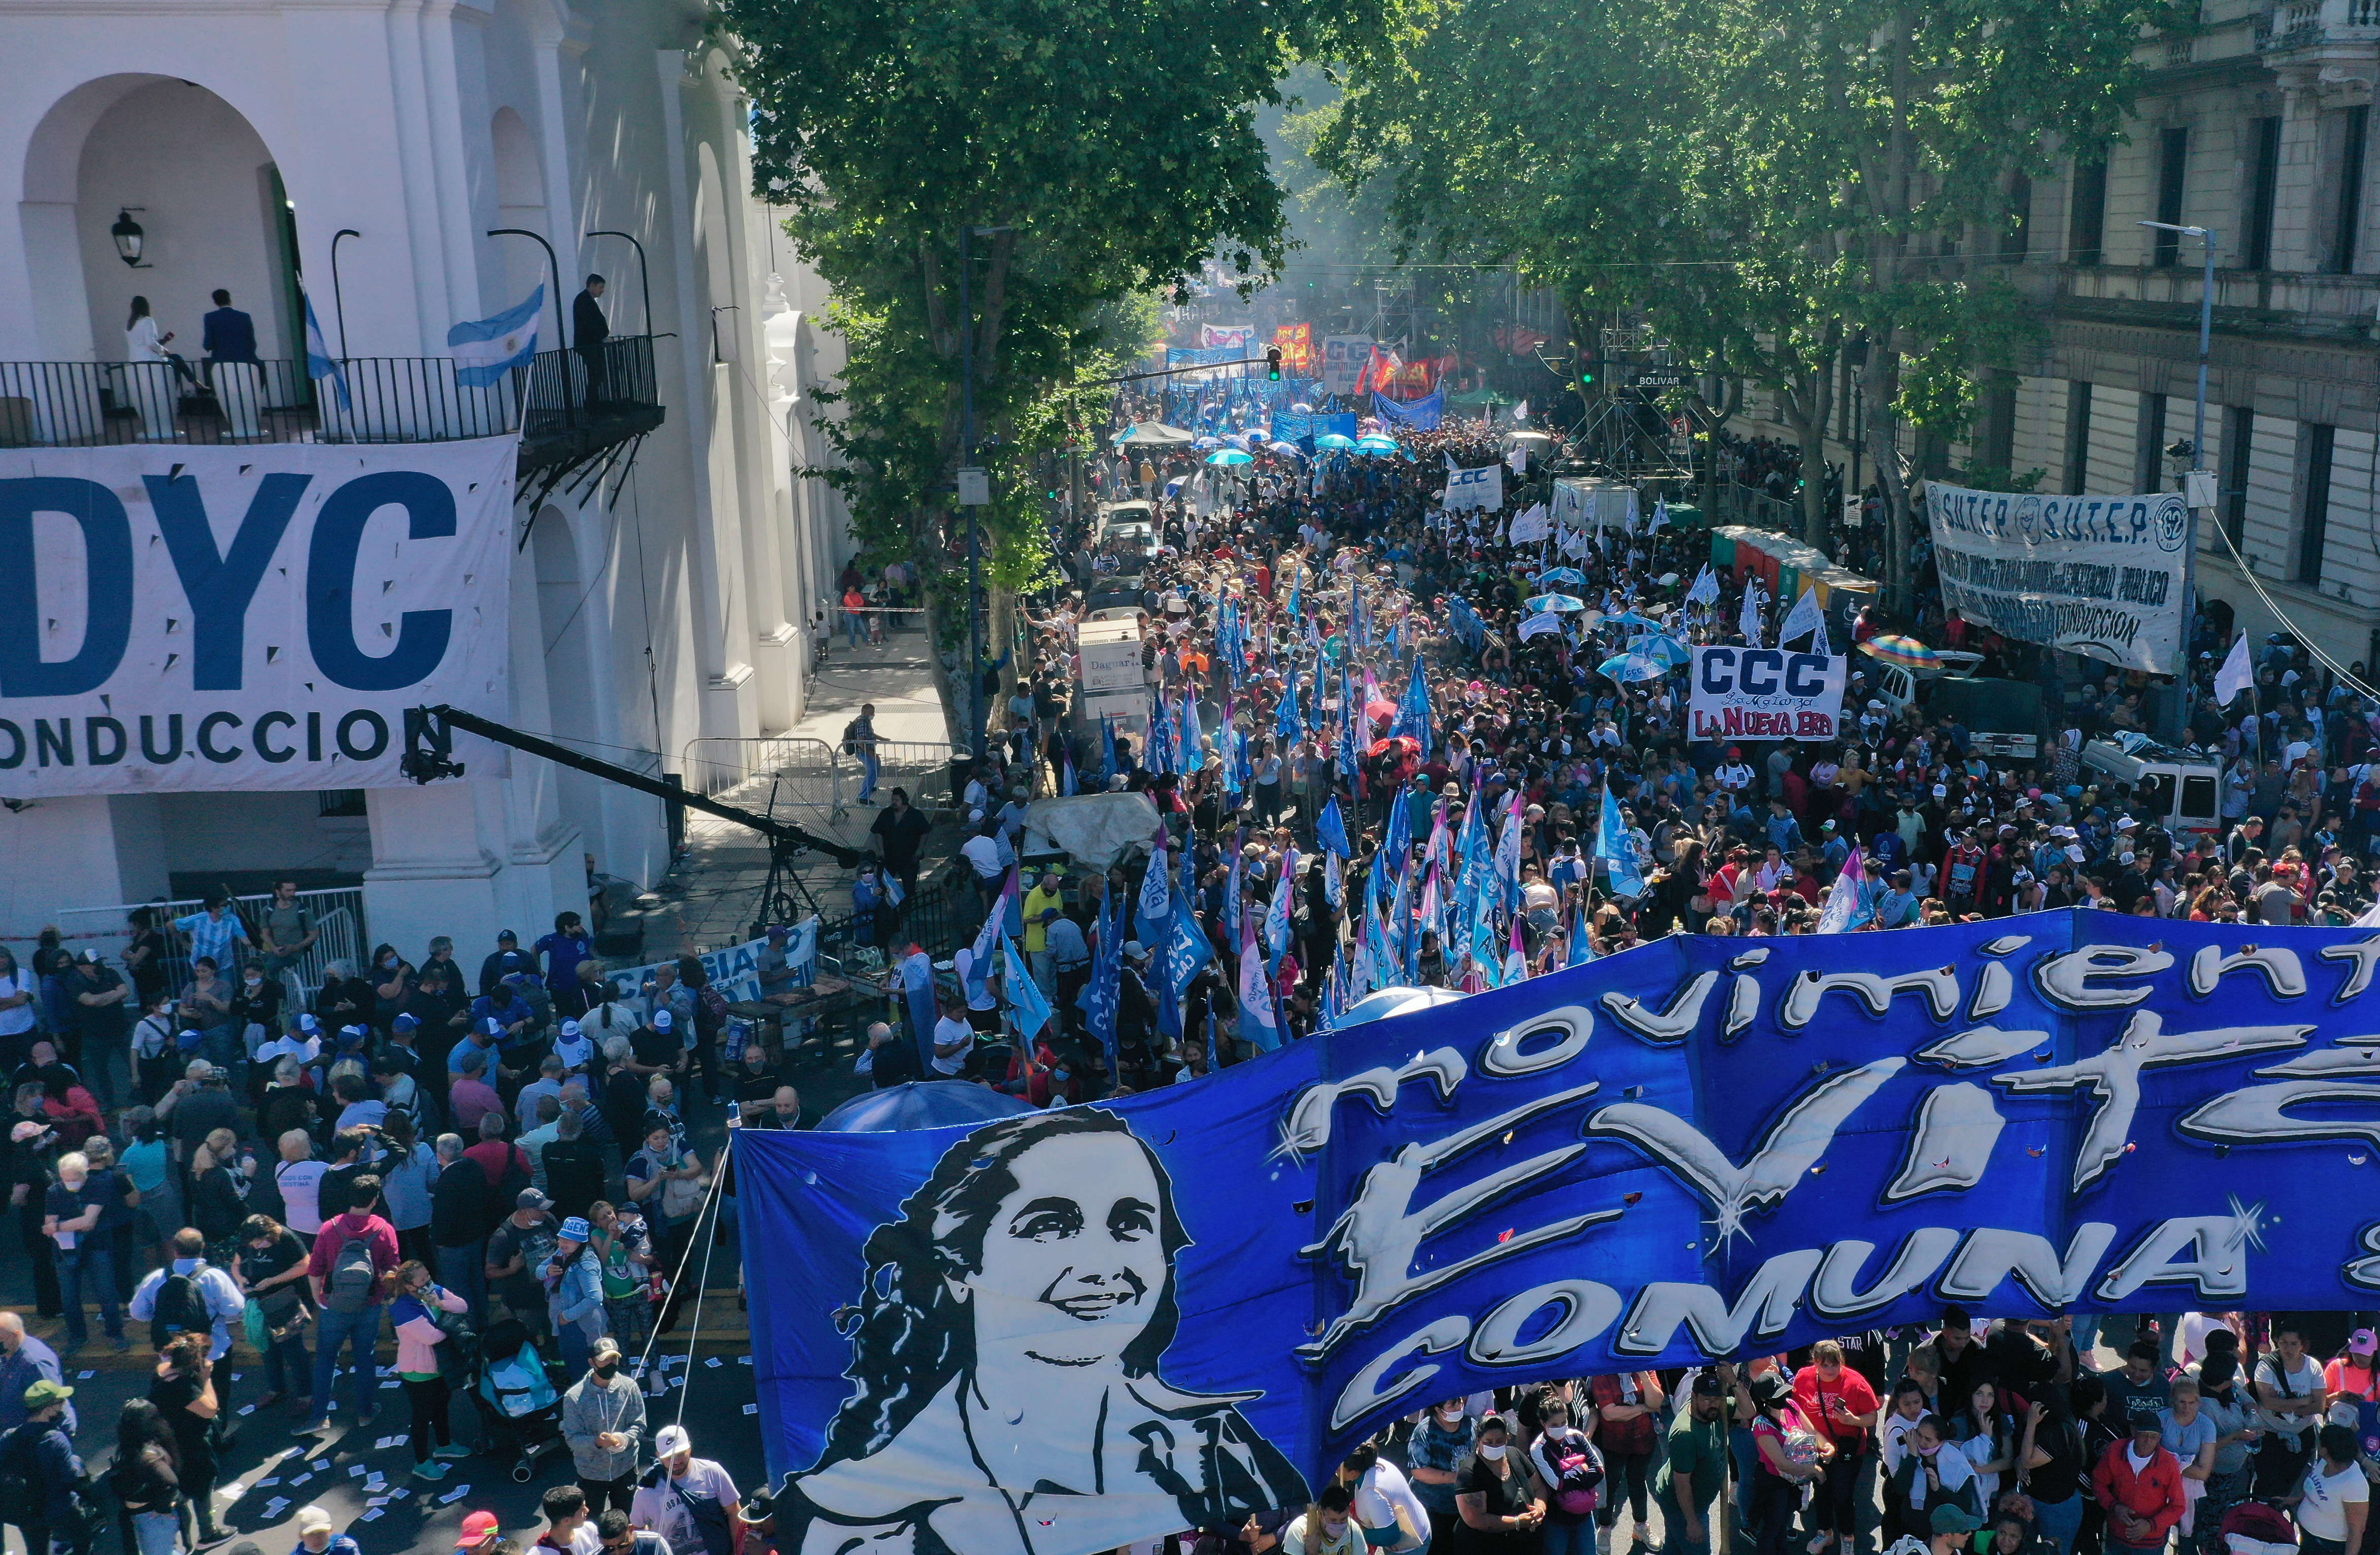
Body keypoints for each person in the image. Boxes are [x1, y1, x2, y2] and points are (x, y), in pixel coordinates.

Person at [778, 1110, 1307, 1550]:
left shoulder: (1214, 1447)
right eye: (1050, 1225)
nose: (1102, 1265)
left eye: (1130, 1223)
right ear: (960, 1268)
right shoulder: (856, 1517)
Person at [299, 1173, 399, 1434]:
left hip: (334, 1305)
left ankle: (319, 1417)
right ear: (375, 1200)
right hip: (370, 1303)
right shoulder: (384, 1229)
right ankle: (365, 1412)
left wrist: (320, 1299)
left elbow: (315, 1269)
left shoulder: (330, 1228)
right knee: (365, 1357)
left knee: (326, 1359)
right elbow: (393, 1269)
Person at [389, 1258, 473, 1479]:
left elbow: (463, 1306)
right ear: (410, 1287)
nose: (428, 1281)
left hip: (439, 1366)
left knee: (442, 1405)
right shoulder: (403, 1309)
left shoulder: (435, 1292)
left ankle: (444, 1445)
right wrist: (454, 1323)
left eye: (428, 1276)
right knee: (422, 1416)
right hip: (418, 1371)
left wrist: (441, 1304)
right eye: (422, 1279)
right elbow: (432, 1337)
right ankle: (422, 1463)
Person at [1795, 1340, 1880, 1555]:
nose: (1831, 1370)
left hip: (1847, 1450)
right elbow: (1797, 1411)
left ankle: (1847, 1537)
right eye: (1825, 1365)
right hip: (1817, 1449)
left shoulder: (1856, 1382)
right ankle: (1825, 1532)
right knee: (1821, 1492)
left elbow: (1872, 1417)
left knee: (1843, 1496)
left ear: (1842, 1361)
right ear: (1815, 1362)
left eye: (1835, 1365)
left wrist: (1853, 1421)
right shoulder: (1803, 1378)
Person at [44, 1151, 127, 1355]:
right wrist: (61, 1226)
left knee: (106, 1293)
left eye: (74, 1179)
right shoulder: (54, 1191)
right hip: (66, 1250)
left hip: (96, 1246)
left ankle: (116, 1334)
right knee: (69, 1298)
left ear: (85, 1174)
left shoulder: (99, 1185)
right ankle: (77, 1337)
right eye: (66, 1179)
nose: (70, 1184)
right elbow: (49, 1223)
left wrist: (59, 1226)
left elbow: (88, 1222)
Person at [148, 1333, 225, 1546]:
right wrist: (206, 1378)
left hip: (167, 1442)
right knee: (201, 1488)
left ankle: (178, 1538)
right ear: (195, 1362)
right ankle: (208, 1533)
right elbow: (210, 1410)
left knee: (177, 1488)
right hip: (191, 1446)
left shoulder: (162, 1372)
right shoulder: (184, 1388)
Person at [237, 1213, 315, 1412]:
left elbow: (305, 1265)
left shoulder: (287, 1238)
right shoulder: (248, 1239)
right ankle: (276, 1389)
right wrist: (240, 1280)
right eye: (252, 1243)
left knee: (293, 1348)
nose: (255, 1247)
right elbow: (237, 1264)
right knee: (268, 1348)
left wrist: (273, 1281)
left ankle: (307, 1394)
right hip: (259, 1302)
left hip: (285, 1300)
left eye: (259, 1242)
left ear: (270, 1233)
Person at [130, 1226, 245, 1359]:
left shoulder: (156, 1278)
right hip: (212, 1351)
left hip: (172, 1354)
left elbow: (138, 1312)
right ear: (203, 1247)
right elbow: (234, 1310)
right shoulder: (215, 1277)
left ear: (175, 1250)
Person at [2, 1379, 88, 1555]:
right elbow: (69, 1478)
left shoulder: (10, 1436)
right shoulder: (56, 1439)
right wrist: (77, 1462)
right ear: (48, 1409)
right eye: (60, 1402)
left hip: (26, 1510)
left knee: (36, 1550)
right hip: (57, 1509)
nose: (64, 1405)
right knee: (84, 1537)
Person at [1748, 1370, 1830, 1555]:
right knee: (1772, 1528)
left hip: (1794, 1481)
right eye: (1777, 1396)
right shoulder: (1762, 1425)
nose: (1783, 1399)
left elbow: (1813, 1432)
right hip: (1774, 1484)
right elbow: (1782, 1464)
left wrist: (1826, 1446)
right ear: (1765, 1400)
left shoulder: (1791, 1406)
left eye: (1784, 1392)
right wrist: (1814, 1470)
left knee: (1783, 1524)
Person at [563, 1335, 645, 1516]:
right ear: (592, 1362)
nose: (610, 1363)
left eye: (614, 1358)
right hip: (591, 1474)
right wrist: (597, 1443)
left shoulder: (630, 1387)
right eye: (605, 1359)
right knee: (591, 1523)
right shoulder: (574, 1397)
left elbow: (639, 1424)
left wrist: (625, 1439)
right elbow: (572, 1439)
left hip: (625, 1469)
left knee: (624, 1518)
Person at [1655, 1370, 1735, 1555]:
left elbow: (1749, 1411)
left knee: (1675, 1548)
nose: (1713, 1404)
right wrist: (1692, 1522)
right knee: (1698, 1549)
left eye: (1717, 1399)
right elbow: (1682, 1484)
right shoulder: (1685, 1434)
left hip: (1699, 1501)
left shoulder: (1716, 1411)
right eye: (1707, 1399)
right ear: (1694, 1397)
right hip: (1682, 1506)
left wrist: (1734, 1382)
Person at [630, 1424, 742, 1555]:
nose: (676, 1461)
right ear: (659, 1456)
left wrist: (738, 1551)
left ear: (690, 1448)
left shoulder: (713, 1472)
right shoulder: (647, 1490)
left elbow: (734, 1512)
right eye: (669, 1457)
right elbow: (638, 1530)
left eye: (681, 1454)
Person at [2090, 1415, 2183, 1555]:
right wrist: (2114, 1507)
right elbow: (2098, 1482)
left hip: (2151, 1543)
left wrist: (2151, 1525)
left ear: (2160, 1438)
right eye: (2144, 1435)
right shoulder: (2115, 1450)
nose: (2148, 1441)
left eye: (2154, 1437)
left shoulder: (2169, 1463)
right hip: (2117, 1536)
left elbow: (2178, 1506)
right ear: (2133, 1432)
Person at [1451, 1412, 1541, 1555]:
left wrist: (1539, 1510)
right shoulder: (1469, 1473)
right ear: (1479, 1440)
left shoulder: (1516, 1455)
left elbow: (1539, 1487)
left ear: (1508, 1438)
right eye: (1489, 1442)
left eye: (1500, 1441)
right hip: (1484, 1547)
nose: (1494, 1446)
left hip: (1521, 1544)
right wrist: (1517, 1522)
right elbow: (1475, 1519)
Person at [1531, 1393, 1605, 1555]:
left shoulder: (1577, 1437)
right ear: (1543, 1423)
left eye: (1563, 1422)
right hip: (1557, 1520)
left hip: (1585, 1516)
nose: (1561, 1428)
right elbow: (1557, 1484)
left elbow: (1599, 1471)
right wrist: (1583, 1470)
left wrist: (1569, 1476)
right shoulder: (1538, 1449)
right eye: (1554, 1424)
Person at [110, 1397, 183, 1555]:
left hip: (152, 1520)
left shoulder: (147, 1455)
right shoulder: (138, 1445)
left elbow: (170, 1483)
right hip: (147, 1518)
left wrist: (162, 1510)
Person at [2291, 1424, 2369, 1555]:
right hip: (2307, 1537)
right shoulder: (2325, 1462)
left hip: (2327, 1547)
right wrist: (2294, 1500)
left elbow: (2357, 1530)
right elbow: (2317, 1489)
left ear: (2325, 1450)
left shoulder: (2354, 1484)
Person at [546, 1215, 608, 1377]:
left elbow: (595, 1297)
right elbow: (539, 1270)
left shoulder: (586, 1264)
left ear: (580, 1242)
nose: (563, 1243)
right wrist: (547, 1270)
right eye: (562, 1238)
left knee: (583, 1374)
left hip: (581, 1328)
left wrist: (567, 1316)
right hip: (567, 1326)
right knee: (573, 1368)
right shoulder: (563, 1253)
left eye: (569, 1240)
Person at [1284, 1486, 1364, 1555]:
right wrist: (1312, 1552)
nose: (1339, 1524)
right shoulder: (1298, 1531)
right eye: (1333, 1520)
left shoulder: (1353, 1531)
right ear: (1321, 1514)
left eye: (1343, 1519)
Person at [574, 275, 610, 407]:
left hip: (591, 344)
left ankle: (593, 404)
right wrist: (602, 336)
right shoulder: (584, 300)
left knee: (597, 375)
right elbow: (591, 324)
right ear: (592, 286)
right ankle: (592, 405)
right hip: (589, 345)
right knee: (596, 375)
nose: (602, 290)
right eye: (601, 287)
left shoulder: (585, 300)